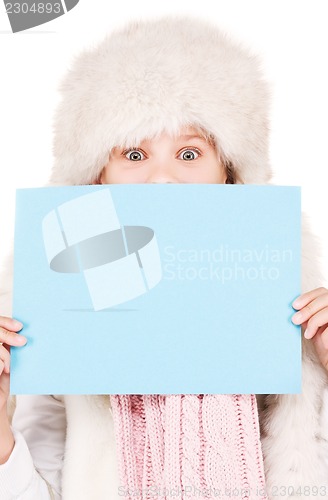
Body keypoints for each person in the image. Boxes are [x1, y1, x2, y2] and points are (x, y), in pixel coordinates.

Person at [1, 15, 328, 500]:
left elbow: (307, 474)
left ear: (228, 174)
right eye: (134, 155)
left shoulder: (283, 298)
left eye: (190, 153)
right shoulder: (54, 313)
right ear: (98, 177)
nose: (162, 179)